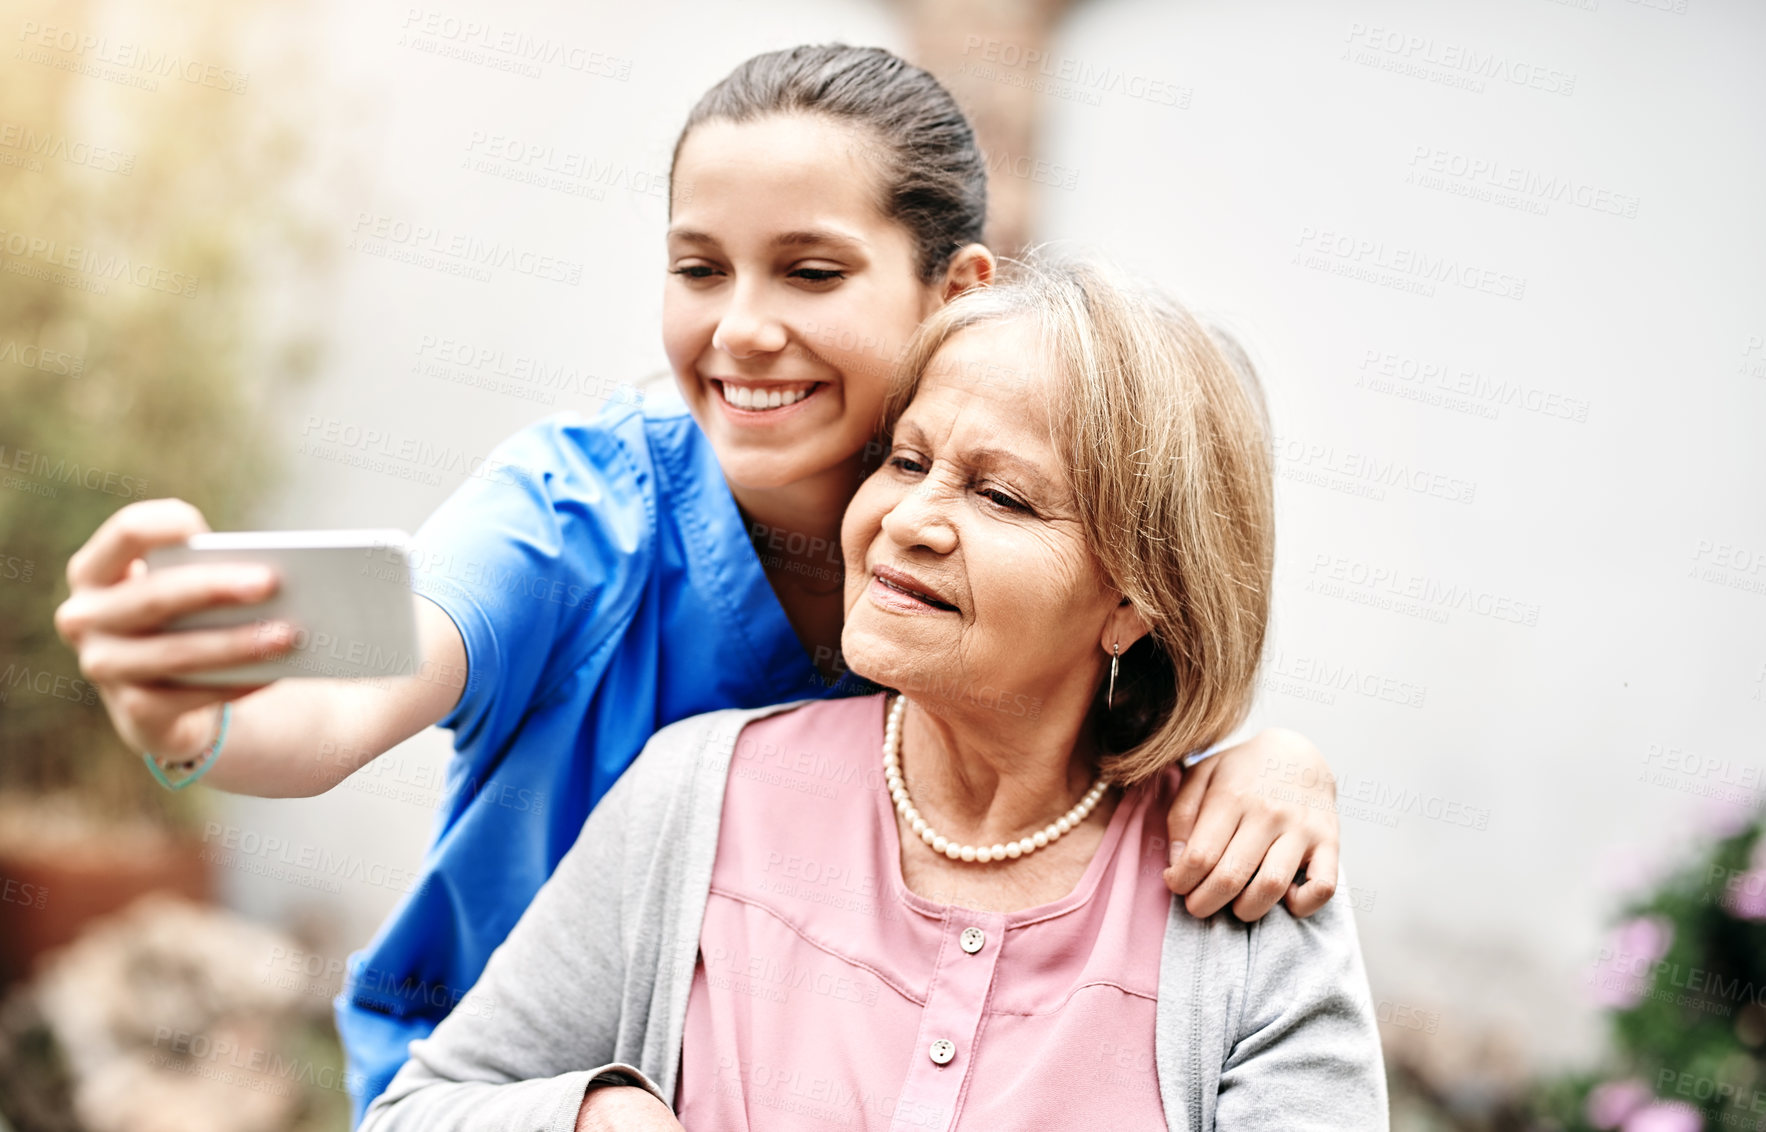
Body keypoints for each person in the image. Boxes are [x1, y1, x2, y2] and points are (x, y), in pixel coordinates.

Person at [52, 46, 1347, 1121]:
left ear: (953, 289)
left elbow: (1121, 646)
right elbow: (340, 704)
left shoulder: (955, 546)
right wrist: (198, 716)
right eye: (696, 269)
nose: (739, 327)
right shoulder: (580, 513)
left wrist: (1268, 760)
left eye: (811, 269)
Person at [359, 256, 1387, 1132]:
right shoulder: (700, 793)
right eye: (907, 459)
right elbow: (421, 1109)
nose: (910, 519)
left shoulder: (1246, 902)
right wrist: (590, 1116)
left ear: (1133, 604)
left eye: (1000, 494)